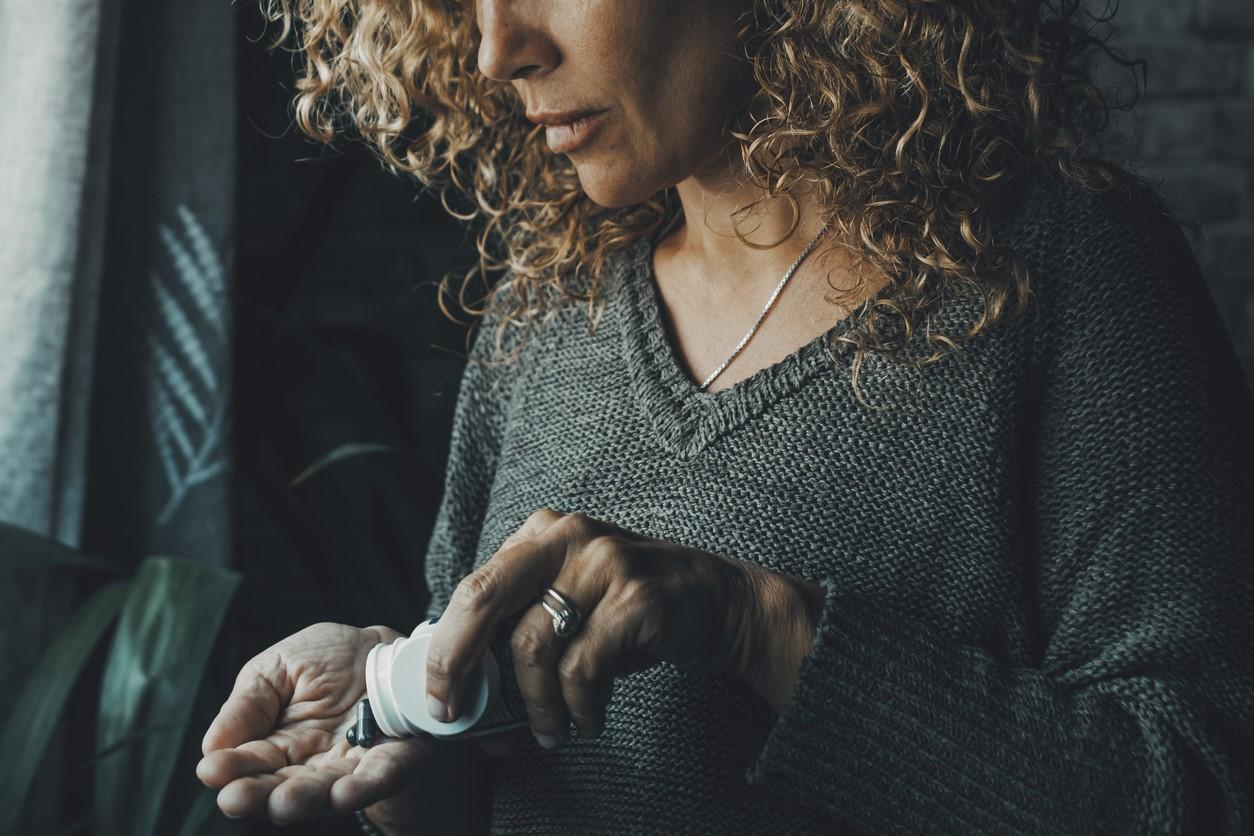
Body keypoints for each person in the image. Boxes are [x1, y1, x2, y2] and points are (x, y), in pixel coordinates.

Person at [197, 0, 1254, 833]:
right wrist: (407, 735)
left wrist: (759, 627)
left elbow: (1199, 792)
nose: (495, 47)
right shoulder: (546, 303)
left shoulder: (1072, 279)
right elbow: (505, 786)